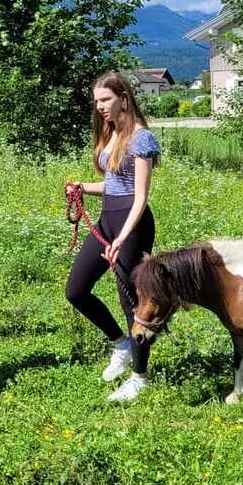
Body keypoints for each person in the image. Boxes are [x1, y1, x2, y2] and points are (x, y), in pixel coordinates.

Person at [66, 70, 160, 403]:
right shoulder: (111, 133)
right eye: (97, 101)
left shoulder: (141, 138)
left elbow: (140, 197)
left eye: (105, 99)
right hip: (108, 218)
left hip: (131, 225)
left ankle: (139, 377)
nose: (100, 107)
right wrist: (81, 188)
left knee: (130, 301)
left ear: (123, 97)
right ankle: (120, 344)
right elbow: (112, 186)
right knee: (76, 290)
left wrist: (122, 237)